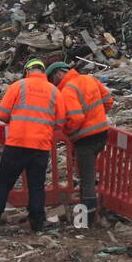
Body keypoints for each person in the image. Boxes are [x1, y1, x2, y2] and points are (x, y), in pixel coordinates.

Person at [0, 58, 68, 234]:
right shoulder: (54, 91)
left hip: (17, 144)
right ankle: (37, 223)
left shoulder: (18, 86)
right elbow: (60, 122)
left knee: (4, 183)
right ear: (43, 73)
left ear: (27, 71)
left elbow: (2, 113)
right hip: (41, 146)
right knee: (37, 185)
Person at [46, 62, 115, 226]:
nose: (52, 83)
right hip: (102, 134)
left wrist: (68, 132)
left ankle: (85, 222)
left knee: (87, 180)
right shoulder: (89, 79)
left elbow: (76, 118)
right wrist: (96, 117)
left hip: (85, 140)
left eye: (51, 79)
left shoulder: (68, 89)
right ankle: (87, 218)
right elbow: (108, 101)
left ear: (57, 74)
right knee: (88, 176)